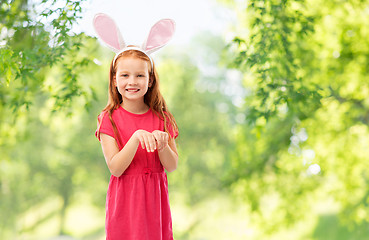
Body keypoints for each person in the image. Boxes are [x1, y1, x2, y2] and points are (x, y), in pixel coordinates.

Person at [93, 13, 178, 240]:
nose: (132, 81)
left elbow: (172, 165)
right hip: (125, 205)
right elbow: (116, 168)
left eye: (140, 75)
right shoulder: (108, 119)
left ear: (150, 80)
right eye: (125, 75)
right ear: (114, 79)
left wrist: (162, 145)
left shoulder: (162, 118)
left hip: (155, 204)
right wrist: (137, 137)